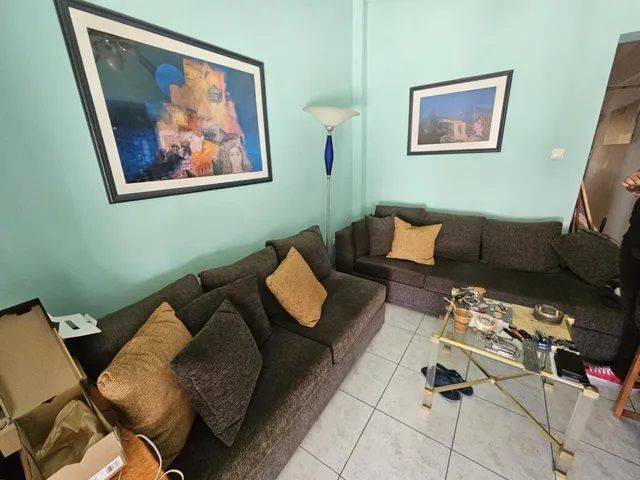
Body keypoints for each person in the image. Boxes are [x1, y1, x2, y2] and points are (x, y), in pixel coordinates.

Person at [586, 169, 640, 385]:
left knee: (635, 316)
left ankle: (621, 372)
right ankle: (623, 370)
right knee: (630, 311)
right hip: (634, 242)